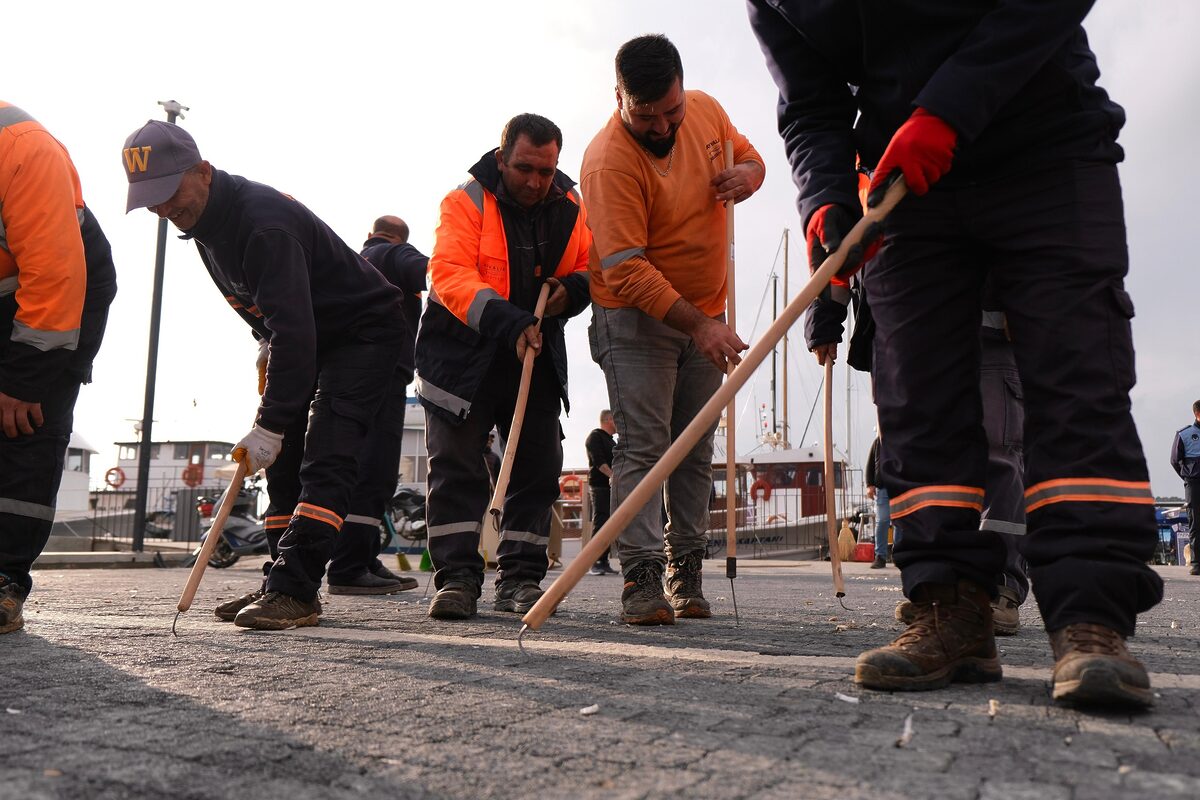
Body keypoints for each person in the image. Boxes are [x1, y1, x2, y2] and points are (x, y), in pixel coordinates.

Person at [749, 1, 1163, 708]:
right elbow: (810, 105)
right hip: (905, 183)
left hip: (1045, 142)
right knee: (918, 397)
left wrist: (949, 107)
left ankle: (1090, 617)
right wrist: (823, 197)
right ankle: (948, 606)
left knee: (1077, 379)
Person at [123, 121, 408, 630]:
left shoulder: (260, 224)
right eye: (151, 201)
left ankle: (296, 591)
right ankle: (280, 580)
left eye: (168, 193)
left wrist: (271, 421)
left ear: (203, 173)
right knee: (281, 462)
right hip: (306, 334)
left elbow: (296, 331)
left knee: (326, 452)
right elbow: (271, 317)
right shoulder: (205, 224)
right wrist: (264, 348)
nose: (163, 209)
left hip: (363, 332)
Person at [582, 34, 764, 625]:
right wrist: (702, 326)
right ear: (620, 98)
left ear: (684, 92)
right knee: (644, 445)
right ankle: (639, 577)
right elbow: (628, 270)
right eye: (646, 115)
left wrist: (750, 176)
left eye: (672, 112)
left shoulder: (706, 109)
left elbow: (748, 155)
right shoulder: (608, 161)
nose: (663, 127)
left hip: (705, 311)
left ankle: (685, 571)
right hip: (635, 318)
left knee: (693, 449)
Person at [415, 113, 591, 620]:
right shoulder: (465, 201)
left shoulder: (571, 205)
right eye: (524, 168)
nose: (536, 181)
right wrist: (509, 322)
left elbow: (586, 268)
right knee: (456, 466)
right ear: (501, 159)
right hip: (461, 356)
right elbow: (447, 275)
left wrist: (568, 293)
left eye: (546, 169)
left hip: (533, 354)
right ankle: (457, 579)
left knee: (536, 468)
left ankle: (520, 579)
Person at [0, 102, 116, 634]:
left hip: (61, 294)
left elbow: (53, 275)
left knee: (24, 424)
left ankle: (4, 581)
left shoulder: (22, 149)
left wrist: (25, 381)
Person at [585, 409, 618, 575]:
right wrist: (613, 476)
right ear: (609, 419)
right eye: (616, 419)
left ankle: (603, 560)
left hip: (611, 487)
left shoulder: (612, 442)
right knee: (601, 522)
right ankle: (594, 561)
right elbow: (599, 462)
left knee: (609, 525)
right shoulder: (595, 437)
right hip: (600, 486)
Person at [1170, 401, 1200, 576]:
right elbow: (1175, 460)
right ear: (1197, 414)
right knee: (1195, 521)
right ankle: (1196, 563)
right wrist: (1187, 477)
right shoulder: (1185, 434)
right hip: (1194, 482)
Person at [863, 436, 890, 570]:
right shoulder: (878, 442)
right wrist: (869, 484)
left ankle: (898, 554)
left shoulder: (903, 437)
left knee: (900, 522)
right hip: (882, 487)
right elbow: (870, 464)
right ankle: (880, 556)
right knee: (883, 520)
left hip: (900, 487)